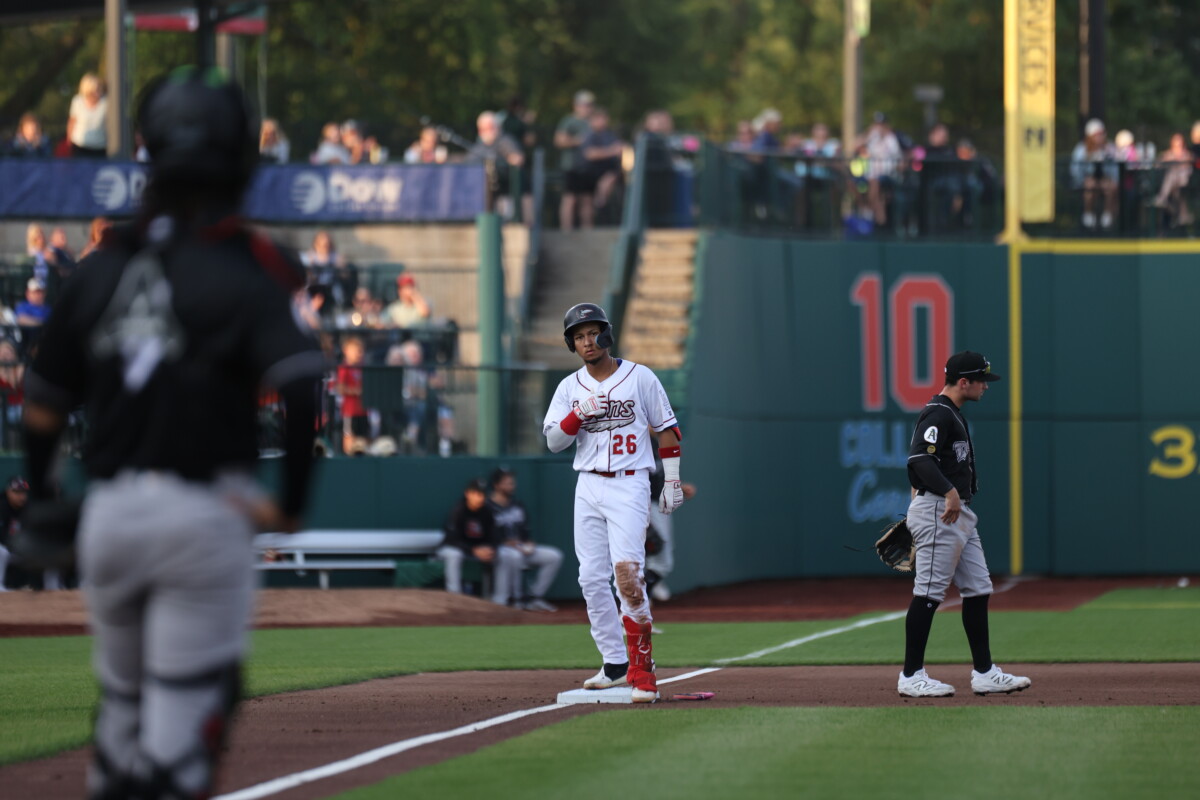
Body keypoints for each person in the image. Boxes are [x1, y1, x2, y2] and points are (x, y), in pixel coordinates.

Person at [20, 66, 322, 798]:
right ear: (241, 155)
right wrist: (289, 502)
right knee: (179, 746)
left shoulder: (99, 267)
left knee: (122, 721)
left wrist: (44, 495)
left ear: (147, 149)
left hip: (111, 517)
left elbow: (40, 402)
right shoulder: (250, 267)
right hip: (202, 514)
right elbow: (304, 386)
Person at [542, 302, 686, 703]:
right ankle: (615, 664)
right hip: (587, 485)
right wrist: (576, 416)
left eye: (593, 333)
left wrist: (671, 481)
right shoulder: (569, 388)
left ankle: (643, 672)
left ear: (607, 334)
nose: (588, 341)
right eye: (579, 336)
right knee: (590, 578)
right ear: (572, 344)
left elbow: (668, 431)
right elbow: (555, 441)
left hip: (629, 482)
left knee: (628, 576)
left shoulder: (640, 377)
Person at [897, 351, 1031, 698]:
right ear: (963, 382)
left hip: (956, 513)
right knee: (928, 593)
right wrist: (948, 492)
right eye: (981, 379)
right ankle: (911, 676)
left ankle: (985, 672)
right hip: (943, 511)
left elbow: (925, 464)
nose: (986, 385)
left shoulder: (951, 415)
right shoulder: (938, 413)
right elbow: (918, 459)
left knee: (978, 588)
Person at [487, 468, 563, 611]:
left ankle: (534, 597)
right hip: (500, 550)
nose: (512, 486)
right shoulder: (487, 507)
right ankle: (509, 600)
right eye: (507, 483)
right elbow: (486, 535)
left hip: (520, 548)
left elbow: (525, 532)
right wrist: (505, 542)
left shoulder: (517, 505)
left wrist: (529, 543)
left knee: (554, 556)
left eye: (512, 483)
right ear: (497, 485)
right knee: (512, 555)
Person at [437, 479, 520, 604]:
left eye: (482, 494)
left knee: (504, 555)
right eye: (476, 494)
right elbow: (451, 539)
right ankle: (454, 598)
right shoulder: (458, 510)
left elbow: (495, 537)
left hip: (478, 550)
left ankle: (500, 601)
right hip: (453, 548)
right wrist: (473, 550)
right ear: (468, 494)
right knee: (454, 554)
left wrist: (491, 549)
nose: (479, 498)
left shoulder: (487, 511)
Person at [645, 445, 697, 602]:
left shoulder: (659, 444)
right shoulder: (640, 443)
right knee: (659, 561)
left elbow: (658, 483)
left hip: (659, 505)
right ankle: (635, 605)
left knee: (662, 560)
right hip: (645, 505)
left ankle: (639, 603)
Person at [555, 90, 595, 230]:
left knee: (587, 199)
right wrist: (577, 141)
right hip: (571, 166)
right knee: (570, 198)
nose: (586, 108)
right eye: (583, 105)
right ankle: (566, 230)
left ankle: (587, 231)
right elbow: (559, 141)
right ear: (576, 106)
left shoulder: (593, 122)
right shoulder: (569, 121)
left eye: (589, 105)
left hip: (588, 167)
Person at [1070, 118, 1118, 230]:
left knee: (1111, 187)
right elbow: (1075, 170)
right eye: (1096, 134)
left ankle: (1107, 216)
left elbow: (1115, 170)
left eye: (1101, 134)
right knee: (1090, 185)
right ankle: (1088, 214)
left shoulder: (1109, 148)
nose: (1100, 137)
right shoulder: (1081, 149)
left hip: (1104, 181)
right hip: (1088, 182)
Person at [336, 336, 369, 455]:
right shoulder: (344, 368)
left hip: (364, 411)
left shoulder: (363, 368)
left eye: (360, 350)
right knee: (349, 436)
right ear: (346, 351)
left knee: (363, 438)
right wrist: (356, 391)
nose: (358, 353)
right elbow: (340, 388)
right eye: (355, 350)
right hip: (349, 411)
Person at [1154, 132, 1194, 228]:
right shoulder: (1168, 154)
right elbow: (1157, 165)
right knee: (1171, 178)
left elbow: (1189, 169)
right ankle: (1180, 214)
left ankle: (1162, 198)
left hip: (1183, 182)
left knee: (1172, 177)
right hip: (1173, 187)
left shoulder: (1187, 155)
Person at [67, 72, 108, 158]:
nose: (97, 92)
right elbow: (72, 121)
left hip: (100, 148)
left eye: (99, 88)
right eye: (95, 90)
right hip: (80, 146)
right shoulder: (77, 101)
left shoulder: (105, 103)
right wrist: (69, 140)